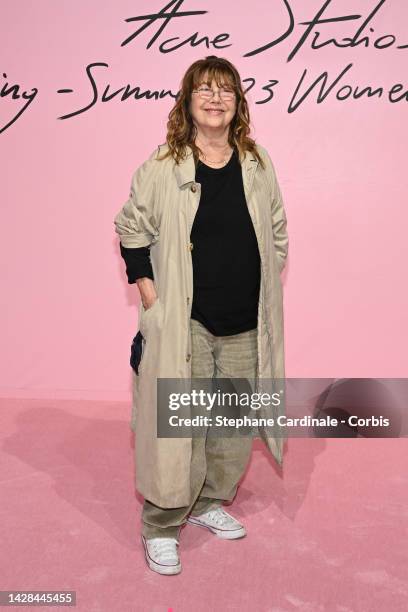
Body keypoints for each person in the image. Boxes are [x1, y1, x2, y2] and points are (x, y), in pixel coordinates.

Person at [113, 55, 289, 575]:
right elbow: (132, 231)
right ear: (188, 100)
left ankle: (210, 502)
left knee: (232, 424)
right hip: (185, 322)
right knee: (178, 427)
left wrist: (264, 280)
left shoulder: (256, 161)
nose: (215, 99)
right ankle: (163, 524)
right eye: (205, 90)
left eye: (226, 91)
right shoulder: (163, 165)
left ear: (238, 103)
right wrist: (151, 296)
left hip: (245, 320)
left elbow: (277, 229)